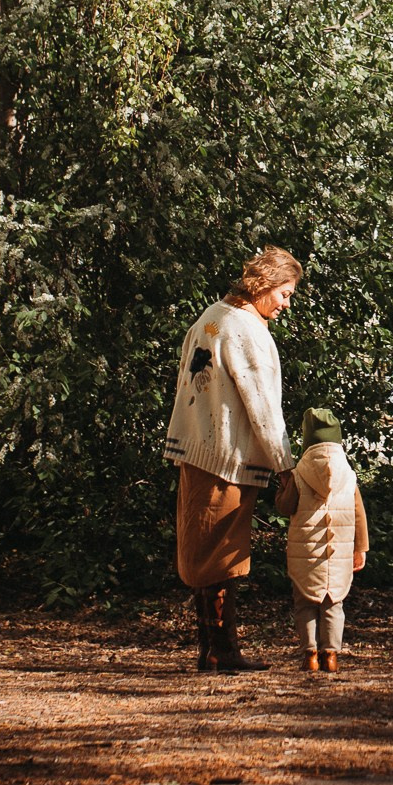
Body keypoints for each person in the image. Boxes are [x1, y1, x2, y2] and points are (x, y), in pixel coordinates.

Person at [165, 246, 302, 674]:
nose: (285, 304)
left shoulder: (212, 314)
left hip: (196, 448)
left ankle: (212, 648)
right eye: (284, 293)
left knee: (202, 546)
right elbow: (262, 405)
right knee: (221, 550)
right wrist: (285, 465)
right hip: (223, 454)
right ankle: (221, 650)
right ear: (262, 286)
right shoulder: (244, 329)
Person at [280, 406, 367, 674]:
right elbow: (359, 514)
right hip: (338, 550)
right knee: (334, 602)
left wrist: (282, 486)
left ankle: (310, 656)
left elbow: (285, 507)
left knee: (305, 602)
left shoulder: (298, 474)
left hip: (305, 549)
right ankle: (331, 655)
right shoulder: (348, 475)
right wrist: (360, 548)